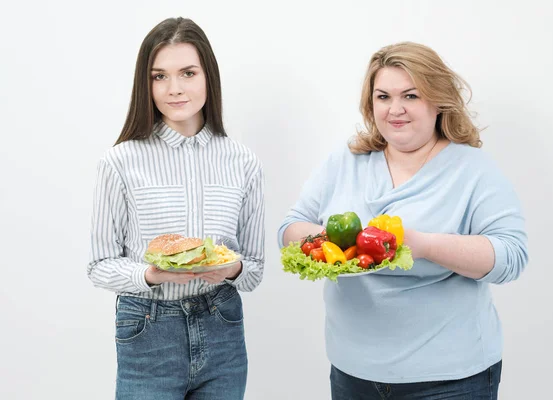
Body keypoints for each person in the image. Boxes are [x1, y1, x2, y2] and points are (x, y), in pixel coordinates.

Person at [278, 42, 528, 399]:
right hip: (353, 374)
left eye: (410, 96)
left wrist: (424, 245)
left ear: (438, 100)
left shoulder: (473, 169)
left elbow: (511, 256)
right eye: (383, 97)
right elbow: (290, 227)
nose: (395, 110)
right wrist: (335, 241)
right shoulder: (346, 161)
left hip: (450, 381)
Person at [88, 17, 265, 399]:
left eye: (187, 72)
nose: (174, 89)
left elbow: (253, 271)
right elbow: (99, 265)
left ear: (208, 77)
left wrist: (231, 267)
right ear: (146, 84)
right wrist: (152, 275)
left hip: (223, 327)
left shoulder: (243, 162)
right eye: (159, 76)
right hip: (149, 329)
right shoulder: (119, 162)